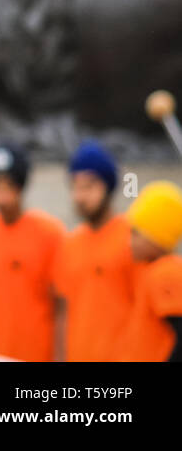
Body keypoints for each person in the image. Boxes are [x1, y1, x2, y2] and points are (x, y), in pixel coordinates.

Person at [0, 142, 65, 361]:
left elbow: (59, 303)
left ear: (20, 186)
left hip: (33, 353)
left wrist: (60, 355)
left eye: (7, 186)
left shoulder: (49, 233)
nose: (1, 196)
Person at [52, 140, 136, 361]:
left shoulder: (134, 240)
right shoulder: (69, 243)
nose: (79, 196)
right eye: (75, 186)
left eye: (89, 186)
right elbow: (62, 312)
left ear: (108, 186)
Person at [116, 180, 182, 361]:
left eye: (136, 233)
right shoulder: (152, 269)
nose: (130, 240)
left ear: (158, 236)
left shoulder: (165, 272)